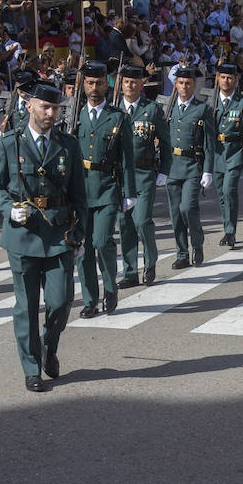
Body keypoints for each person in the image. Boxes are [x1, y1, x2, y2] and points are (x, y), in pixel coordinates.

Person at [0, 82, 87, 392]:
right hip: (23, 234)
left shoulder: (67, 145)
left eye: (55, 108)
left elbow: (79, 195)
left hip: (58, 233)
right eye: (45, 106)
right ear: (28, 106)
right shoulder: (8, 144)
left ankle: (48, 346)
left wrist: (79, 234)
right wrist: (7, 209)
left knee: (61, 301)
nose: (50, 113)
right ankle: (32, 368)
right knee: (26, 307)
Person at [72, 63, 136, 317]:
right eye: (89, 83)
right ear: (83, 85)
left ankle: (110, 288)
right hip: (80, 189)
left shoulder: (118, 116)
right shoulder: (74, 116)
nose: (94, 88)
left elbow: (127, 158)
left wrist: (129, 192)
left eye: (98, 83)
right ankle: (90, 300)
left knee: (101, 241)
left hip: (108, 187)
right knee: (82, 248)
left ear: (107, 85)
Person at [160, 66, 216, 269]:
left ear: (194, 85)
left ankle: (197, 244)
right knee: (175, 213)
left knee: (188, 207)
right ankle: (182, 253)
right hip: (172, 167)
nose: (184, 86)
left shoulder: (203, 109)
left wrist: (208, 170)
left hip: (193, 166)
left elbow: (210, 142)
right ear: (175, 84)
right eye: (181, 83)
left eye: (188, 83)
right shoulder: (168, 108)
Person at [117, 63, 165, 288]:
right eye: (126, 81)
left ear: (142, 83)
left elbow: (165, 140)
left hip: (144, 173)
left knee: (142, 220)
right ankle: (129, 272)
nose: (130, 85)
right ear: (121, 84)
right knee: (125, 224)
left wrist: (164, 170)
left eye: (134, 81)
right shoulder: (114, 109)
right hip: (119, 175)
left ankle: (150, 261)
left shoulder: (152, 109)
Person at [210, 63, 243, 247]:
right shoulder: (211, 103)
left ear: (235, 80)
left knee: (230, 190)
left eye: (230, 78)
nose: (226, 81)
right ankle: (227, 226)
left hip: (235, 151)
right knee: (222, 194)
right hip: (216, 153)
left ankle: (230, 231)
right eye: (223, 77)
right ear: (218, 79)